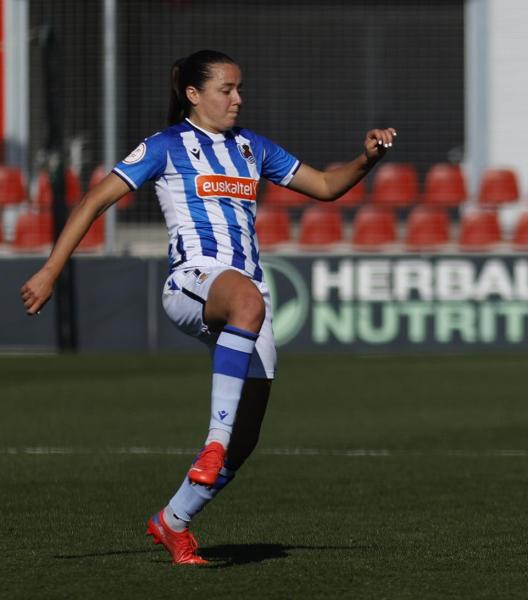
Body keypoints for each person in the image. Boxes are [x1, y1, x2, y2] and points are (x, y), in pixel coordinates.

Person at [19, 50, 396, 565]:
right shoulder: (165, 146)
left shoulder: (251, 147)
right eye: (226, 89)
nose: (238, 98)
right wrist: (50, 271)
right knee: (244, 308)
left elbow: (327, 187)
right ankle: (212, 441)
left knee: (248, 434)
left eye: (239, 88)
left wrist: (367, 159)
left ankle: (173, 521)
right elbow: (93, 201)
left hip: (247, 298)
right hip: (192, 281)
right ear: (193, 95)